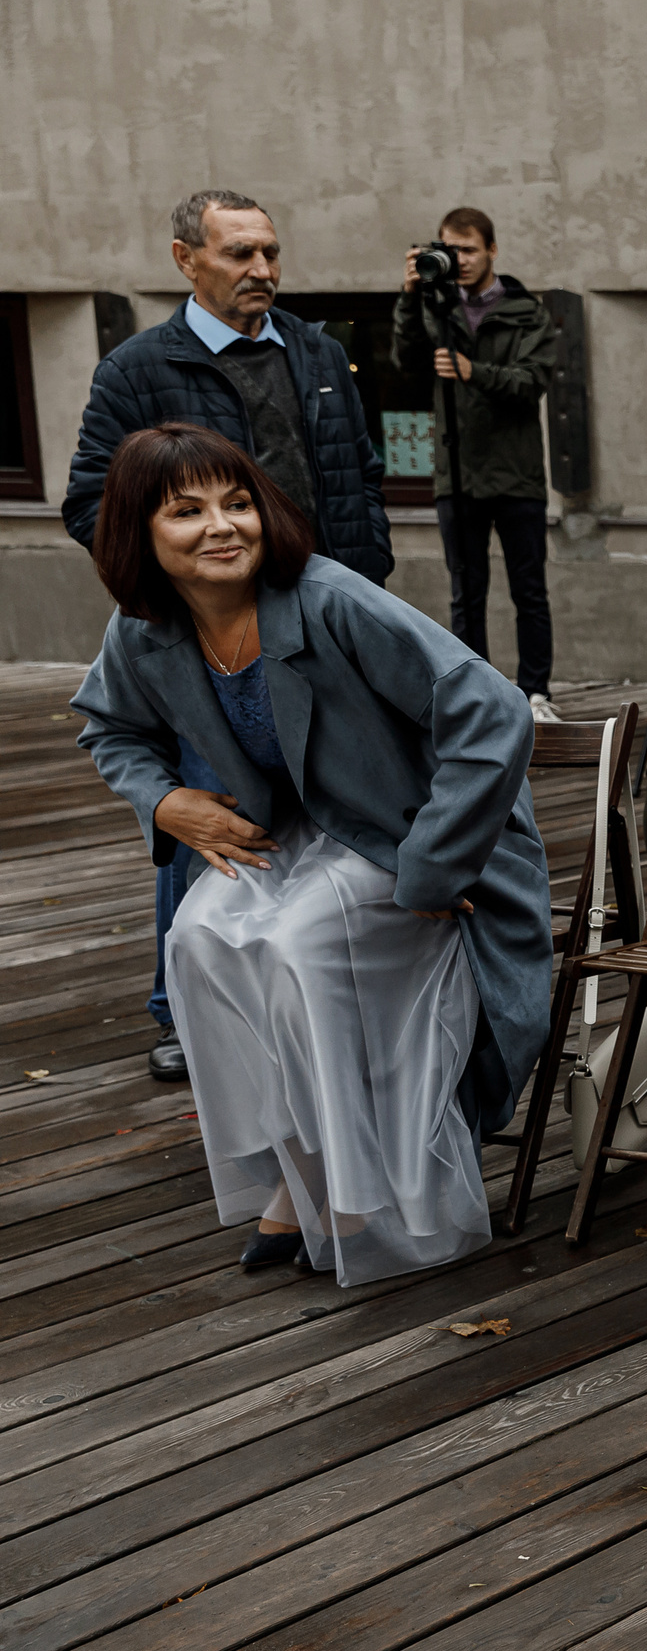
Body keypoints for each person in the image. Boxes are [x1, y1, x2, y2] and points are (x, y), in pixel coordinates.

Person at [70, 424, 550, 1286]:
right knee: (198, 939)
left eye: (239, 501)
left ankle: (355, 1190)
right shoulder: (143, 630)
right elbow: (109, 727)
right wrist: (166, 800)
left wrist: (433, 867)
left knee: (300, 945)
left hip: (418, 831)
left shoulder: (331, 598)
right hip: (303, 831)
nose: (223, 526)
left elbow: (495, 711)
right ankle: (300, 1171)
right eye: (187, 511)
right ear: (138, 533)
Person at [63, 189, 396, 1088]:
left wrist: (367, 564)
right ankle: (183, 1005)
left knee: (339, 792)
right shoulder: (138, 368)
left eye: (270, 253)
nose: (262, 271)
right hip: (209, 629)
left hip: (326, 626)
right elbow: (91, 500)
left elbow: (358, 473)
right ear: (186, 261)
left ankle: (328, 974)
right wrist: (179, 577)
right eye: (240, 254)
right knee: (211, 807)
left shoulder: (320, 351)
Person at [394, 205, 562, 721]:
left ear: (492, 249)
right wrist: (409, 299)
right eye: (449, 249)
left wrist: (474, 371)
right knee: (465, 594)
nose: (459, 260)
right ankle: (476, 691)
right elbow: (408, 362)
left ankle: (537, 694)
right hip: (457, 473)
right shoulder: (434, 305)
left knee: (528, 591)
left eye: (468, 249)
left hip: (517, 475)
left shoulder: (527, 312)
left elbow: (532, 382)